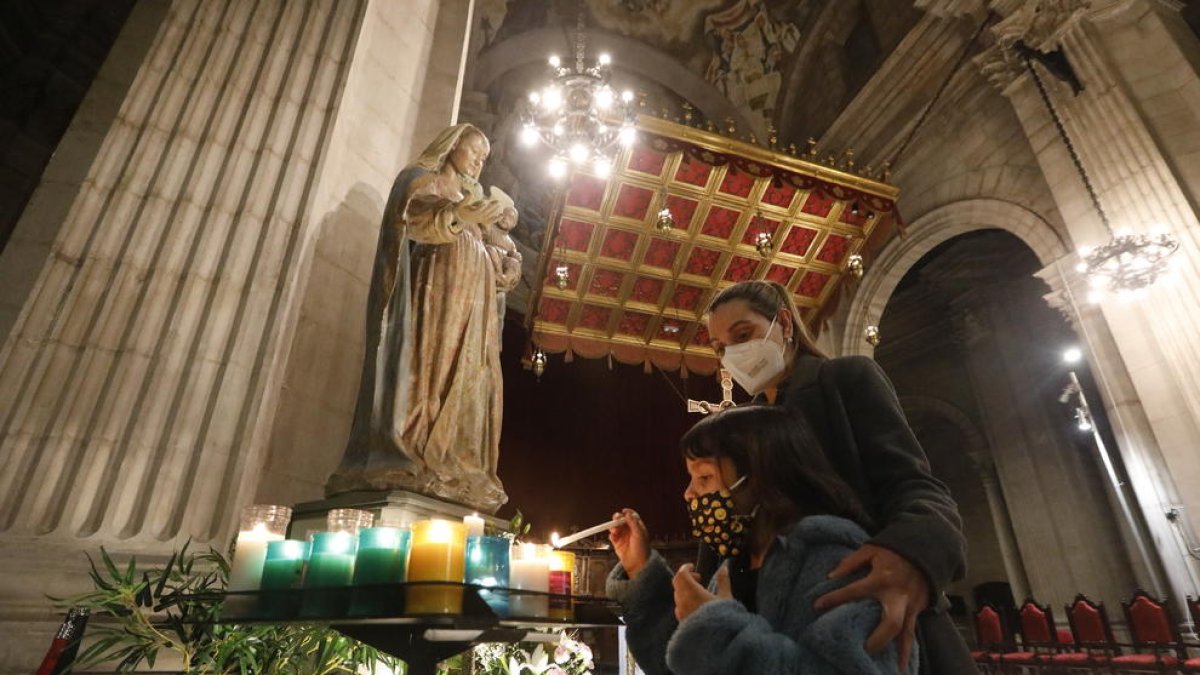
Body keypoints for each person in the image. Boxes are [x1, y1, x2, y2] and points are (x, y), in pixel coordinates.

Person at [702, 280, 974, 674]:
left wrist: (912, 554)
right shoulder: (741, 431)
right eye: (720, 348)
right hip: (785, 627)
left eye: (743, 335)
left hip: (872, 608)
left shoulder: (845, 379)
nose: (733, 354)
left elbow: (915, 486)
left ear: (784, 323)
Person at [606, 405, 917, 675]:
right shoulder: (737, 563)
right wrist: (640, 568)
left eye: (704, 478)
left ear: (759, 479)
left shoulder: (837, 563)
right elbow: (680, 665)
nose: (689, 494)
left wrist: (714, 627)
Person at [328, 123, 516, 511]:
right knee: (432, 365)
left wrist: (505, 269)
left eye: (484, 158)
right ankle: (415, 444)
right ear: (451, 148)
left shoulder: (473, 198)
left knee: (468, 372)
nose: (478, 163)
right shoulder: (423, 180)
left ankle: (455, 458)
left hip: (474, 296)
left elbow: (494, 246)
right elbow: (409, 219)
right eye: (472, 153)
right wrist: (454, 213)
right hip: (438, 287)